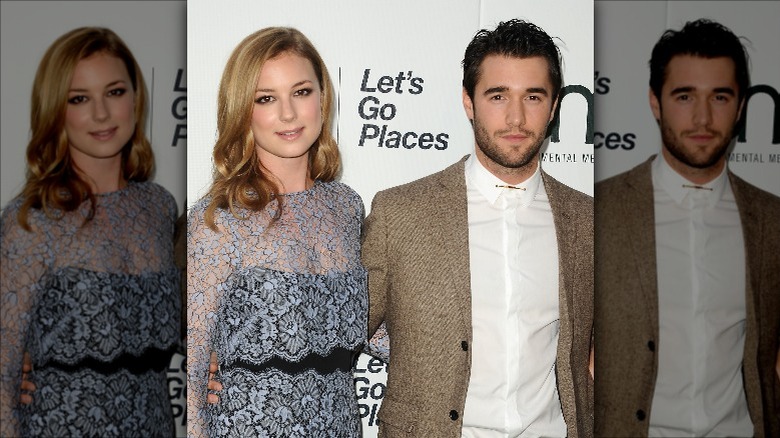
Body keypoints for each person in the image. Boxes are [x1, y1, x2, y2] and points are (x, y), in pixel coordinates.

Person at [362, 19, 592, 436]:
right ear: (469, 102)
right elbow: (339, 330)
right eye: (498, 95)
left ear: (555, 106)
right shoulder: (400, 214)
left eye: (533, 97)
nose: (516, 117)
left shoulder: (588, 222)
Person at [595, 19, 780, 437]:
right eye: (684, 96)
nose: (702, 117)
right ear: (655, 102)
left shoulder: (771, 221)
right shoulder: (601, 211)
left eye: (720, 96)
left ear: (742, 106)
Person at [186, 27, 366, 437]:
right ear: (242, 112)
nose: (288, 114)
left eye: (301, 92)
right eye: (266, 98)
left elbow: (371, 325)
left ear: (323, 99)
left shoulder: (347, 206)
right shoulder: (218, 221)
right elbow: (194, 363)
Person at [0, 27, 180, 437]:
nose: (101, 114)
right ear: (55, 111)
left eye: (115, 92)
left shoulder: (159, 207)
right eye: (79, 99)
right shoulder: (31, 222)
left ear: (136, 97)